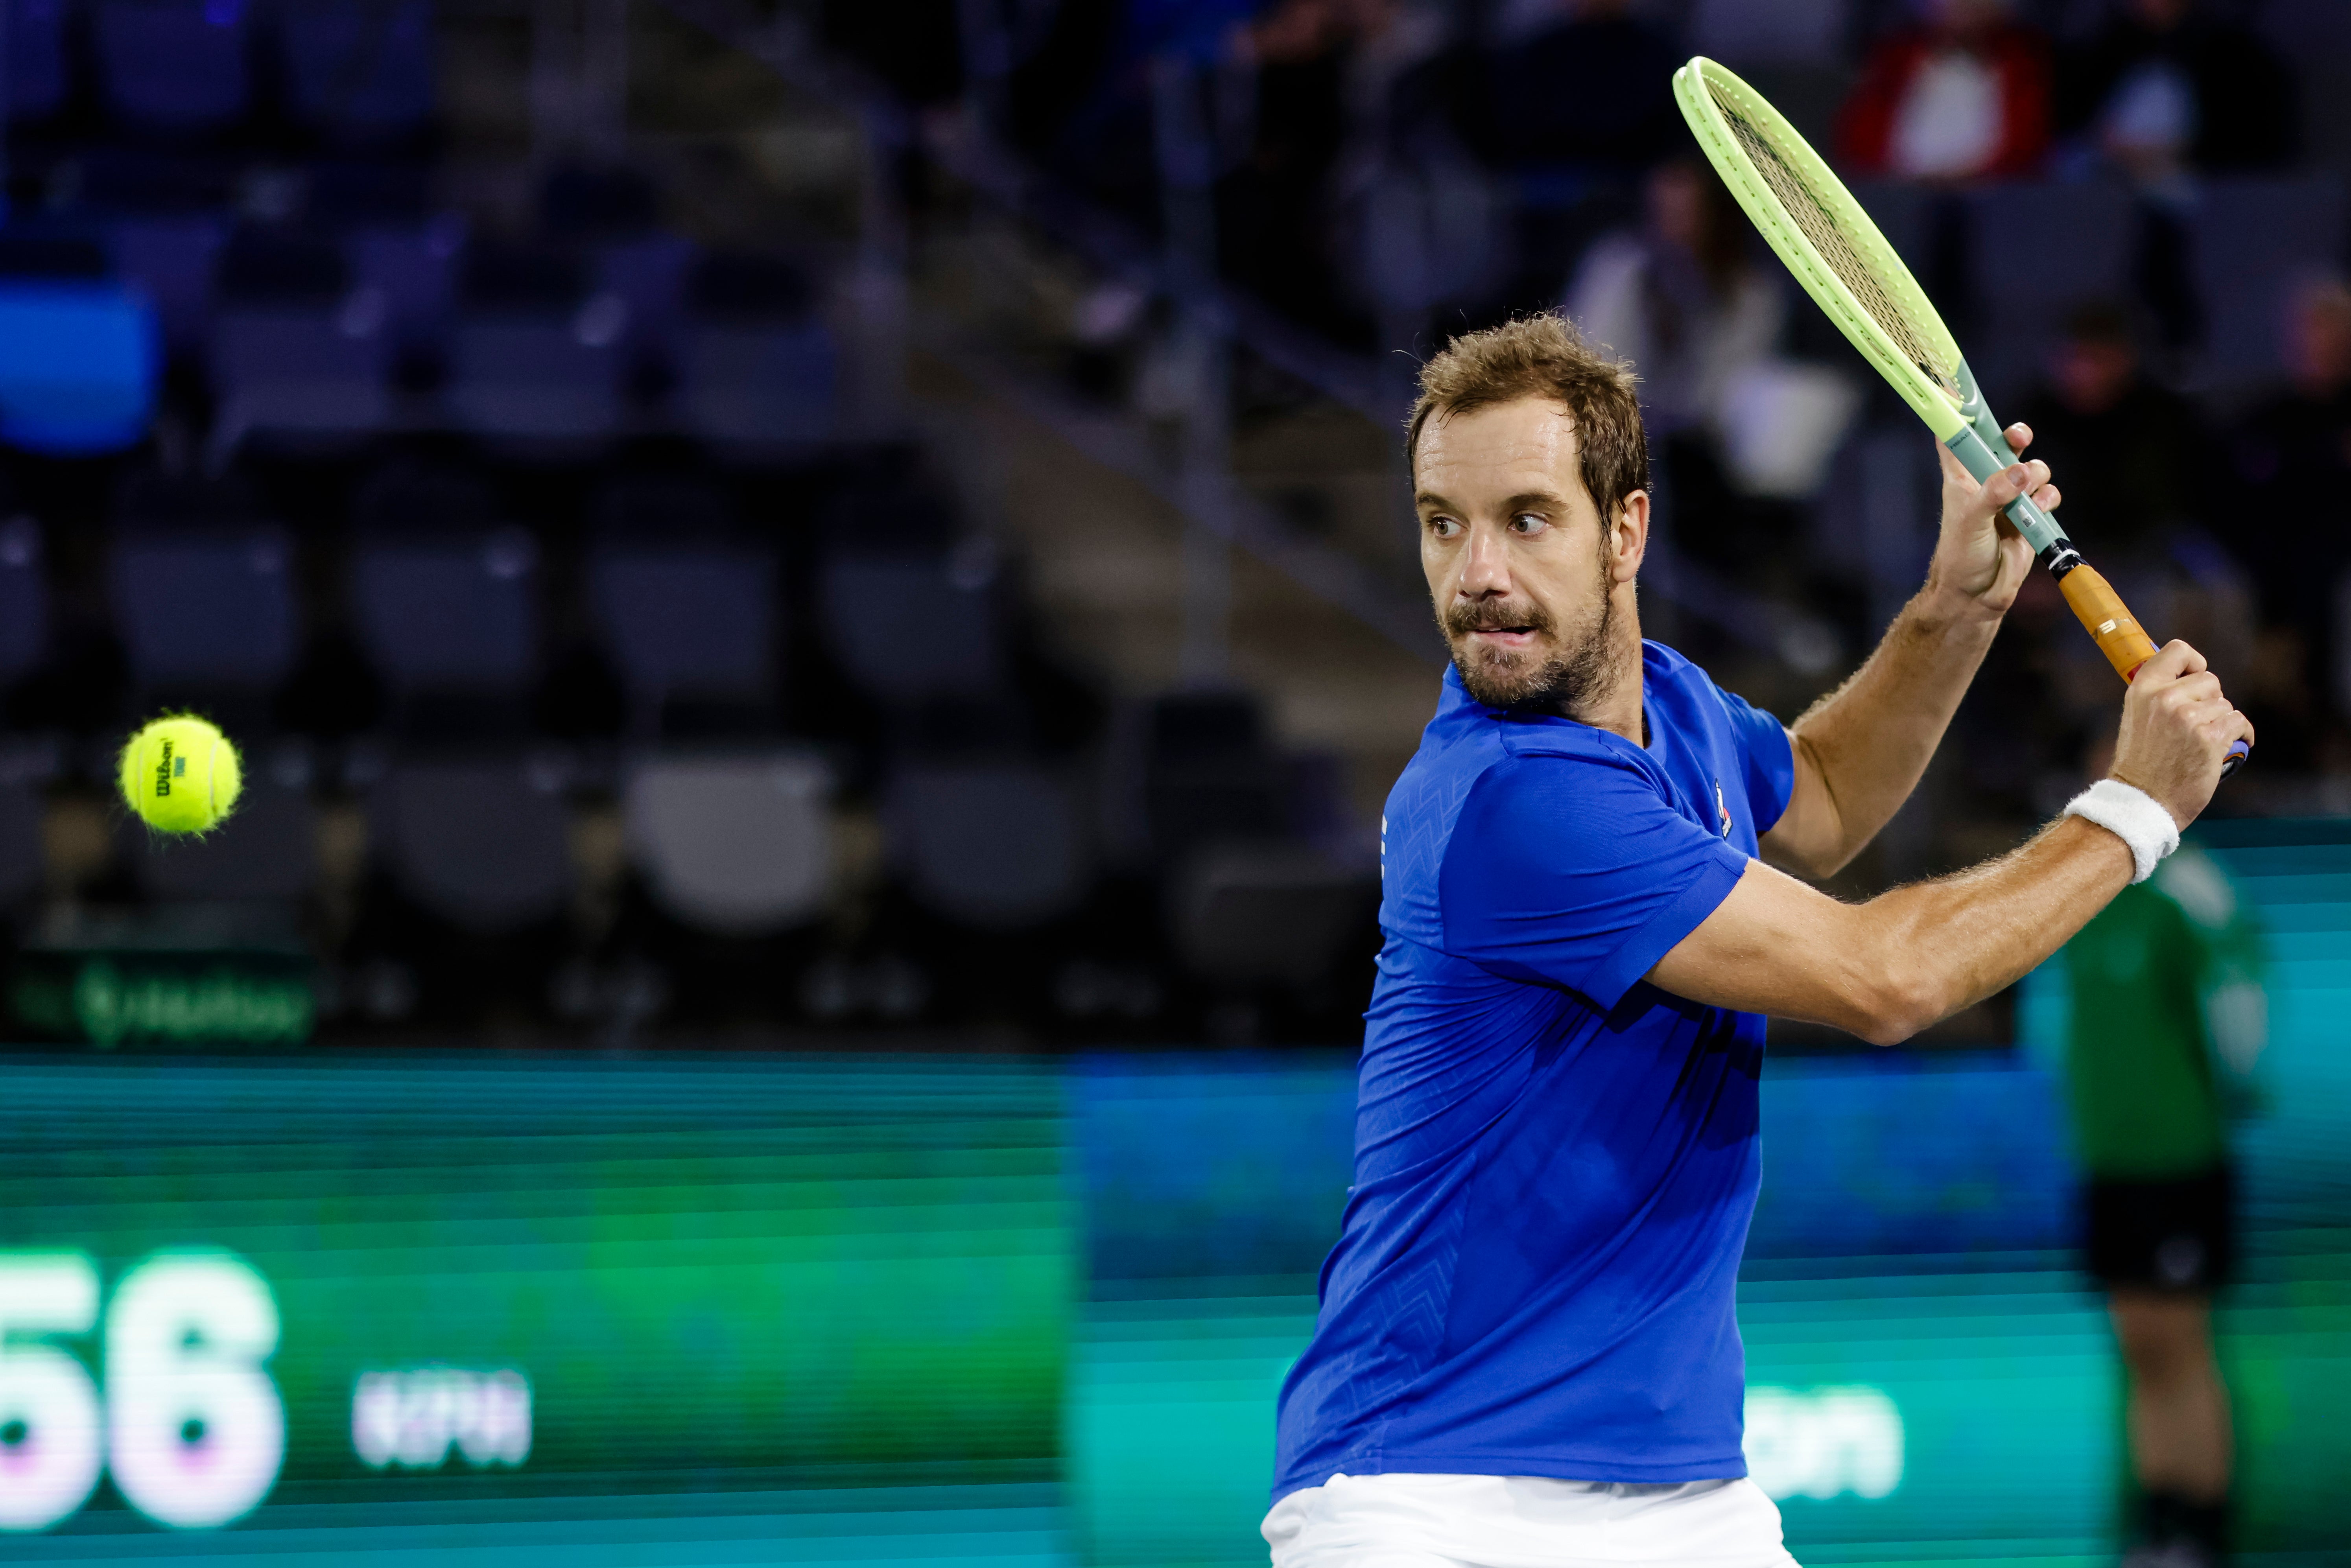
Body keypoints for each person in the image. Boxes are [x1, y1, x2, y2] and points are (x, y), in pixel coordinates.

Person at [1264, 313, 2251, 1566]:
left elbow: (1828, 797)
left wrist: (1954, 606)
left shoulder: (1669, 702)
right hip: (1427, 1493)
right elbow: (1886, 980)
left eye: (1525, 517)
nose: (1476, 575)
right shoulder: (1512, 801)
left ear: (1624, 529)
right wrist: (2138, 809)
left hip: (1682, 1491)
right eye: (1441, 522)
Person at [2059, 736, 2266, 1568]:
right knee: (2139, 1342)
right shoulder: (2077, 888)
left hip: (2180, 1158)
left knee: (2181, 1342)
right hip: (2106, 1159)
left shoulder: (2190, 886)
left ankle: (2203, 1526)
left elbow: (2240, 1006)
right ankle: (2159, 1524)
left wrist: (2234, 1092)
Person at [1835, 0, 2052, 182]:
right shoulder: (1896, 60)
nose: (1965, 5)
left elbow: (2027, 151)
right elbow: (1858, 143)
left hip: (1991, 201)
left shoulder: (2021, 64)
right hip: (1895, 196)